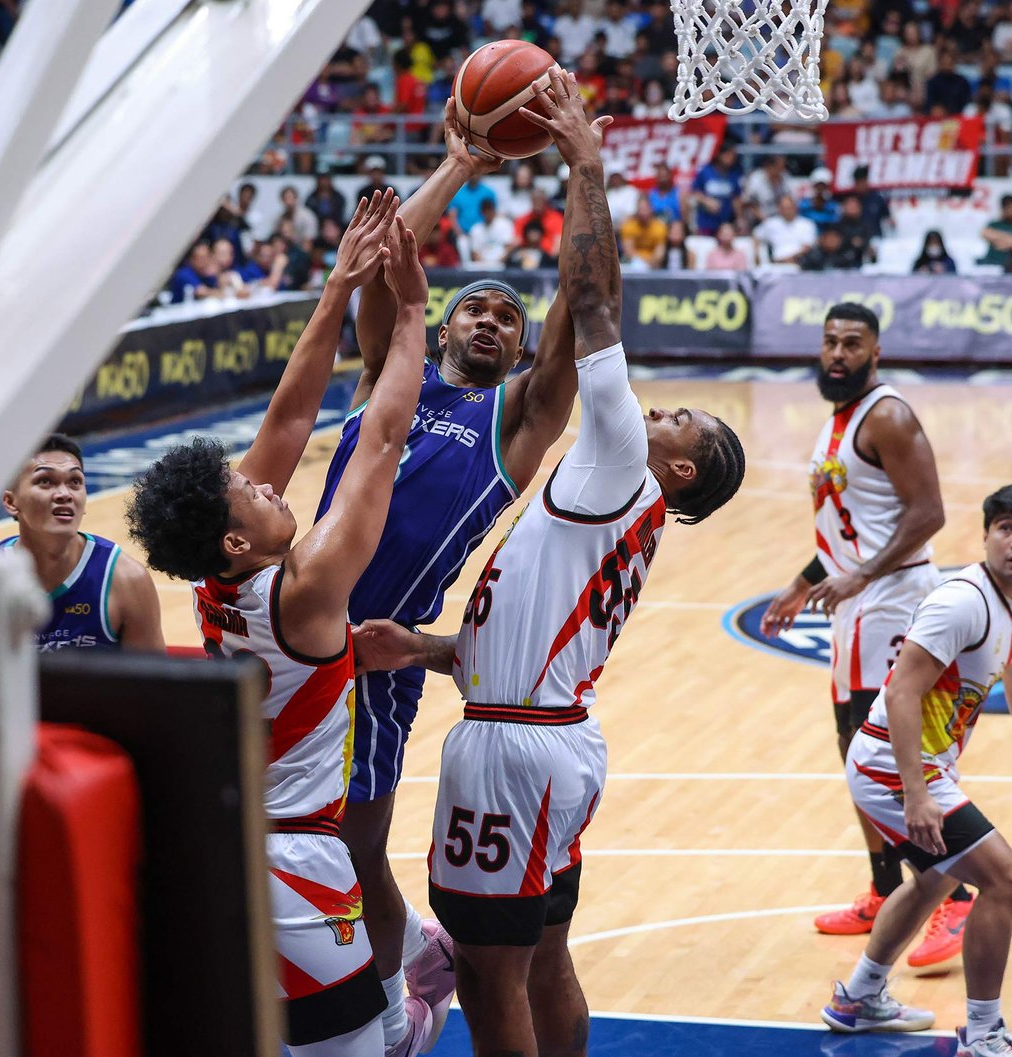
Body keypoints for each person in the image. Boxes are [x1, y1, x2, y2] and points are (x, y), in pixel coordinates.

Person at [351, 68, 746, 1055]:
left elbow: (591, 299)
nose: (659, 407)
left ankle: (396, 1002)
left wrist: (585, 165)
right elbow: (530, 630)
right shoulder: (626, 506)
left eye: (678, 420)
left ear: (682, 463)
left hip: (510, 746)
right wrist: (435, 648)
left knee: (489, 977)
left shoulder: (611, 453)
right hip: (545, 726)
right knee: (541, 957)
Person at [319, 111, 604, 1056]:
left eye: (506, 318)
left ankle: (399, 1016)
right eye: (475, 307)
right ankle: (369, 979)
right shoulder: (384, 378)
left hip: (376, 653)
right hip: (292, 624)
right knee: (281, 838)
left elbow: (575, 316)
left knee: (355, 848)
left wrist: (578, 171)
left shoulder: (512, 418)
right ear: (442, 321)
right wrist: (458, 161)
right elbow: (371, 262)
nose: (490, 318)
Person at [126, 193, 418, 1055]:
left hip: (232, 844)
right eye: (249, 492)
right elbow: (384, 436)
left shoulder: (223, 576)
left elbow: (290, 419)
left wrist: (336, 288)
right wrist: (408, 308)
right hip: (296, 863)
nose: (265, 484)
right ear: (233, 535)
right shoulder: (307, 586)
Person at [821, 484, 1012, 1057]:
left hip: (918, 768)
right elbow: (899, 693)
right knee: (1006, 880)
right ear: (987, 536)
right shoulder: (962, 601)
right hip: (889, 768)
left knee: (937, 877)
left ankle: (857, 998)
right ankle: (983, 1032)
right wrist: (917, 795)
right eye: (1006, 529)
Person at [760, 303, 971, 968]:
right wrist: (805, 579)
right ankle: (886, 888)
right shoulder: (838, 419)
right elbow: (856, 527)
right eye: (829, 342)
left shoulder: (888, 414)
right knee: (853, 753)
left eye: (851, 343)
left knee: (886, 756)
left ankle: (957, 891)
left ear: (875, 351)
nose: (837, 353)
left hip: (898, 600)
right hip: (859, 604)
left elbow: (928, 513)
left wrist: (857, 578)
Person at [0, 434, 164, 653]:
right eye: (45, 481)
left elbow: (150, 684)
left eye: (75, 482)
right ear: (10, 502)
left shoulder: (127, 580)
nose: (64, 494)